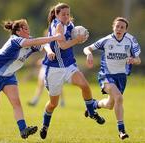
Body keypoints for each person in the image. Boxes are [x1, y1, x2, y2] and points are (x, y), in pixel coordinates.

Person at [0, 18, 63, 139]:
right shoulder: (15, 41)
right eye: (25, 28)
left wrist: (49, 51)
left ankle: (23, 129)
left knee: (16, 103)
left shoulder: (29, 41)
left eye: (28, 28)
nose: (28, 31)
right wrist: (55, 37)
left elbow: (43, 44)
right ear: (18, 31)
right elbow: (38, 41)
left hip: (9, 77)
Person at [39, 3, 105, 139]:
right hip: (54, 69)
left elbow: (74, 38)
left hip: (69, 65)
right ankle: (45, 125)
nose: (66, 16)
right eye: (63, 14)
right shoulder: (57, 25)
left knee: (85, 86)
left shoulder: (70, 25)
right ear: (57, 15)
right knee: (53, 104)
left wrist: (80, 38)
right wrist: (77, 40)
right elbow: (62, 46)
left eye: (68, 14)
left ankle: (91, 112)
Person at [83, 17, 141, 140]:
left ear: (126, 30)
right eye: (117, 26)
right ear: (113, 27)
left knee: (110, 105)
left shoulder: (130, 41)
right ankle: (121, 131)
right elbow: (87, 48)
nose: (119, 29)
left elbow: (138, 59)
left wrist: (133, 60)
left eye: (122, 27)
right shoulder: (106, 40)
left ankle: (94, 104)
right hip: (106, 75)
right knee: (119, 97)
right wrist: (89, 54)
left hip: (121, 77)